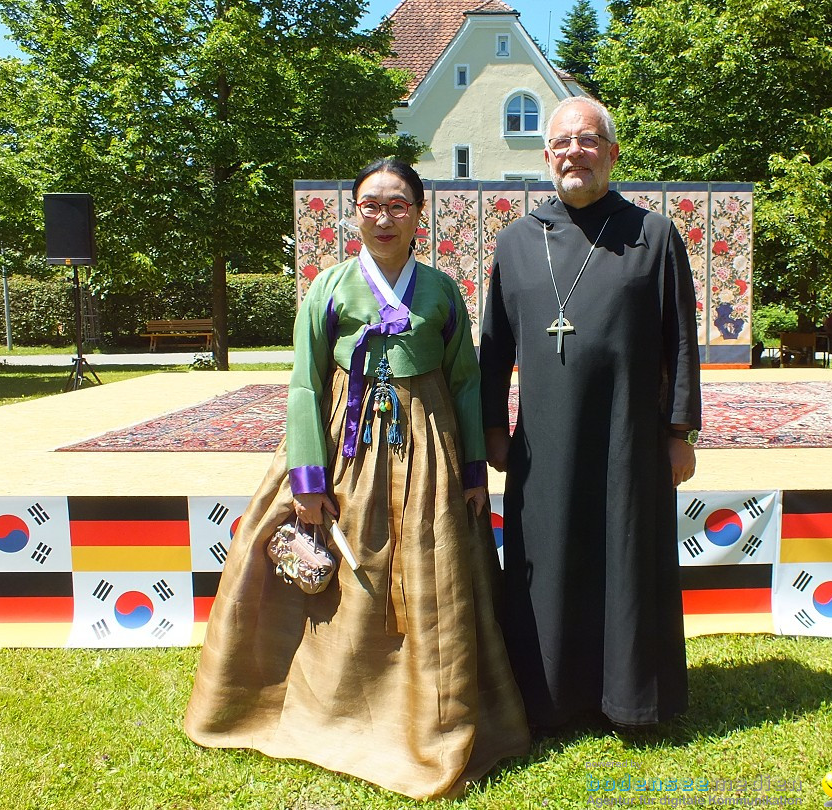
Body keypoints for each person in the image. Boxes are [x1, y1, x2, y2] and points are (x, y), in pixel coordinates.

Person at [184, 159, 529, 800]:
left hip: (426, 446)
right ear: (354, 214)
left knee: (434, 574)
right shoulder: (330, 287)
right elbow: (306, 382)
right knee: (350, 579)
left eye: (397, 205)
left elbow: (464, 380)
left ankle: (433, 714)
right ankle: (330, 710)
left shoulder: (442, 291)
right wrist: (308, 482)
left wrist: (473, 469)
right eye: (370, 205)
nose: (383, 216)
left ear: (420, 215)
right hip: (347, 448)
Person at [478, 97, 702, 732]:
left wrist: (679, 430)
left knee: (626, 554)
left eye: (588, 140)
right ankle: (548, 697)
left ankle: (631, 697)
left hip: (629, 435)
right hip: (543, 442)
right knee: (546, 561)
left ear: (612, 153)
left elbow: (679, 338)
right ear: (546, 156)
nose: (574, 152)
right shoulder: (516, 241)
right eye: (562, 143)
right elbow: (494, 345)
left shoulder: (653, 235)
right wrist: (494, 425)